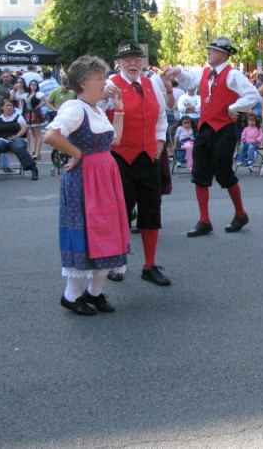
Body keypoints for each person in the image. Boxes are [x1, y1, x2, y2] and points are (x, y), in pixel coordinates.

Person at [45, 56, 129, 316]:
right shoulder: (74, 108)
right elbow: (51, 135)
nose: (105, 82)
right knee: (83, 231)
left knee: (104, 230)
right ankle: (71, 294)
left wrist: (120, 107)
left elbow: (115, 141)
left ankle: (95, 291)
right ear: (82, 83)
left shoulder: (95, 109)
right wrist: (76, 153)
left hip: (104, 176)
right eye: (99, 78)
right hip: (85, 177)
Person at [167, 37, 261, 238]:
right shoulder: (205, 73)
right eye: (209, 49)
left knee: (223, 171)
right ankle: (204, 220)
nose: (208, 52)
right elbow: (189, 79)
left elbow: (253, 96)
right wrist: (178, 72)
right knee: (200, 174)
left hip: (224, 129)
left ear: (225, 54)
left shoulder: (232, 74)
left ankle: (240, 213)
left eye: (213, 50)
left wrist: (234, 107)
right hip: (205, 128)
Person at [101, 41, 171, 286]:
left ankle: (150, 265)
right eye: (127, 59)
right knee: (121, 212)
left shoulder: (152, 84)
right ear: (118, 62)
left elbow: (161, 116)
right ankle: (118, 263)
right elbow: (96, 114)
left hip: (149, 156)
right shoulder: (110, 86)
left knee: (151, 211)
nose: (133, 63)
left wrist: (160, 141)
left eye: (137, 59)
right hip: (120, 158)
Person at [0, 99, 39, 181]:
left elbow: (23, 129)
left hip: (16, 139)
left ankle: (33, 168)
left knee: (19, 147)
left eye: (11, 106)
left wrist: (16, 136)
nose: (9, 107)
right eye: (7, 106)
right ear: (2, 107)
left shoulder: (18, 117)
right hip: (2, 139)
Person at [23, 79, 47, 159]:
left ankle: (37, 152)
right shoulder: (28, 94)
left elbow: (46, 100)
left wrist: (39, 106)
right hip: (29, 113)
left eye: (34, 85)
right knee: (33, 133)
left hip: (35, 113)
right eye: (31, 84)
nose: (33, 86)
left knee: (38, 133)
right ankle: (33, 151)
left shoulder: (38, 94)